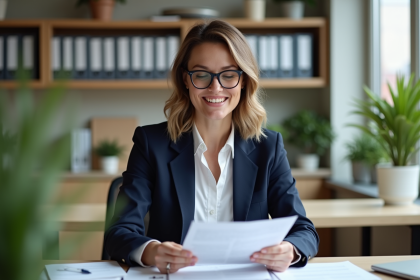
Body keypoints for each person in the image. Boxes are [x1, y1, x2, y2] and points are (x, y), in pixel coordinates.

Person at [104, 19, 319, 274]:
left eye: (228, 75)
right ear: (186, 79)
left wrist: (290, 250)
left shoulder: (268, 147)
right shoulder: (152, 144)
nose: (215, 87)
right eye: (202, 75)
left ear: (243, 81)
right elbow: (119, 231)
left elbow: (304, 231)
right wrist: (152, 251)